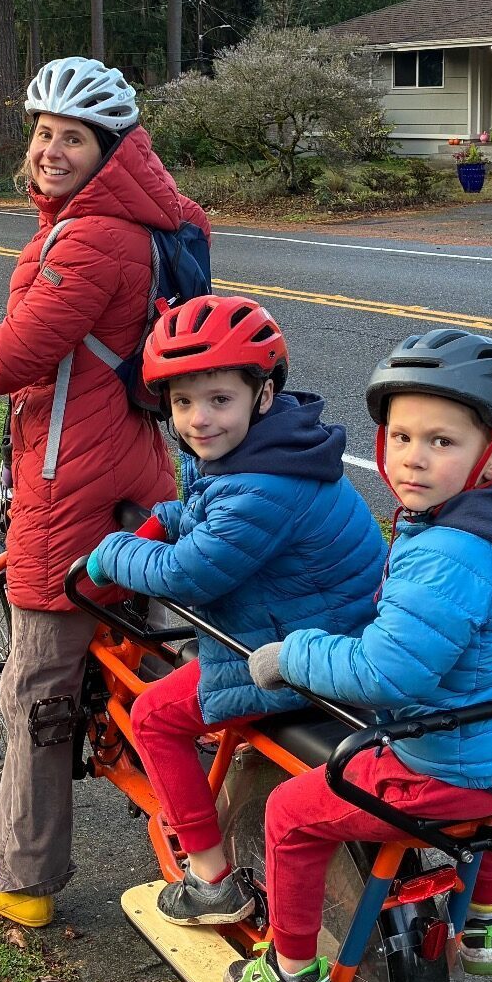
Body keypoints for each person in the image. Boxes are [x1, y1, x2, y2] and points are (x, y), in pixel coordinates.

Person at [0, 57, 206, 928]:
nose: (52, 151)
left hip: (72, 474)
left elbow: (13, 356)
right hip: (135, 455)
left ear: (111, 149)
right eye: (46, 134)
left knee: (36, 675)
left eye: (73, 139)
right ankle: (176, 786)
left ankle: (21, 874)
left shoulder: (93, 237)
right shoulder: (148, 222)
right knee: (146, 637)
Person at [227, 329, 492, 982]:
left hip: (448, 767)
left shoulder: (450, 552)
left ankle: (292, 976)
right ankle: (485, 920)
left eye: (440, 441)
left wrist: (293, 652)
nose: (412, 458)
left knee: (291, 814)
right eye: (400, 436)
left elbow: (385, 671)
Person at [83, 295, 386, 925]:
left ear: (262, 394)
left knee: (156, 714)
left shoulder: (263, 488)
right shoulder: (274, 452)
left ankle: (210, 878)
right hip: (327, 627)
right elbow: (207, 512)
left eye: (219, 399)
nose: (199, 419)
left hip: (294, 656)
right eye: (183, 401)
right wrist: (165, 518)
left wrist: (111, 554)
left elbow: (189, 573)